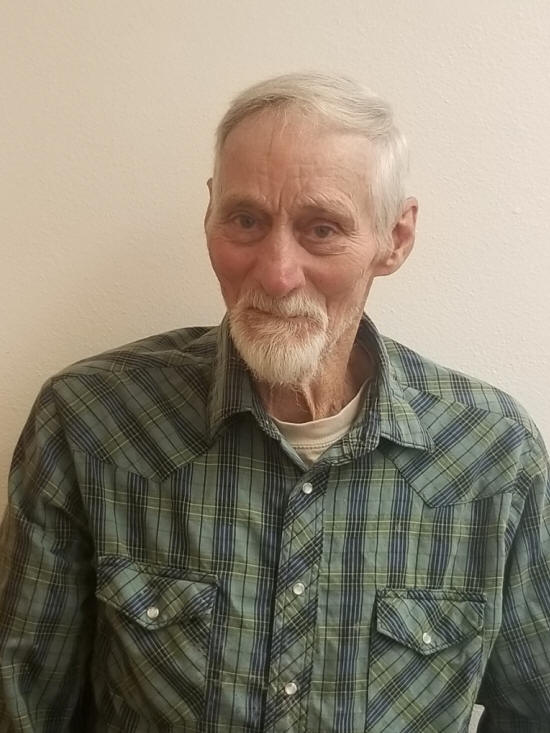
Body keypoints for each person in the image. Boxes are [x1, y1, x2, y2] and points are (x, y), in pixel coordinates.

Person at [0, 72, 549, 733]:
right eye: (246, 220)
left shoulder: (493, 452)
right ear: (210, 213)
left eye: (322, 228)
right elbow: (23, 703)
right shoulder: (91, 423)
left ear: (395, 238)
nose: (277, 272)